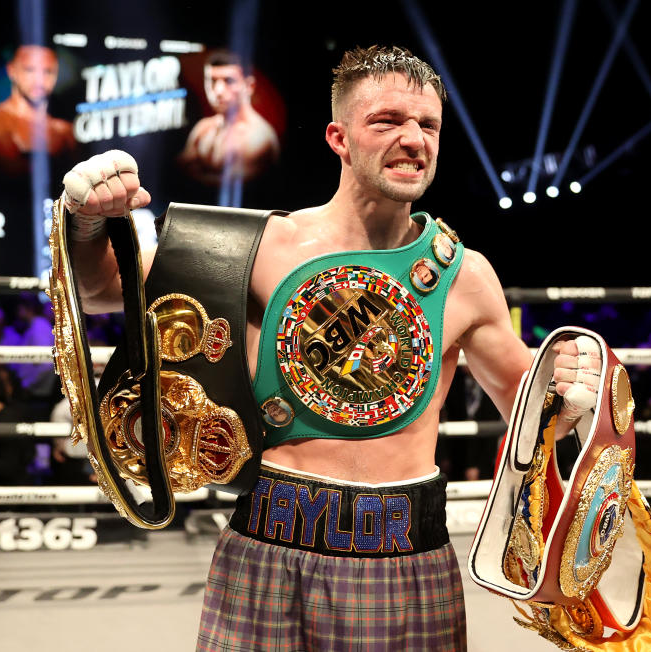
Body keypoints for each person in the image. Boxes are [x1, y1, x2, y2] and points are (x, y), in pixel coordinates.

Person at [61, 45, 589, 651]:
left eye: (429, 125)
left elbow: (532, 414)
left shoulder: (464, 277)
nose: (413, 139)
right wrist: (86, 223)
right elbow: (101, 288)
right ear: (339, 137)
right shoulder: (260, 247)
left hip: (405, 557)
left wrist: (571, 388)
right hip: (268, 545)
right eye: (387, 121)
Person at [178, 49, 280, 185]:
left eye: (229, 81)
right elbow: (179, 171)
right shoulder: (204, 128)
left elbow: (229, 187)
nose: (218, 91)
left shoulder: (258, 137)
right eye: (212, 81)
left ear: (249, 86)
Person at [0, 44, 77, 175]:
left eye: (47, 71)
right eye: (30, 70)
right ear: (12, 70)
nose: (39, 80)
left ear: (56, 74)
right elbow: (8, 170)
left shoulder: (65, 131)